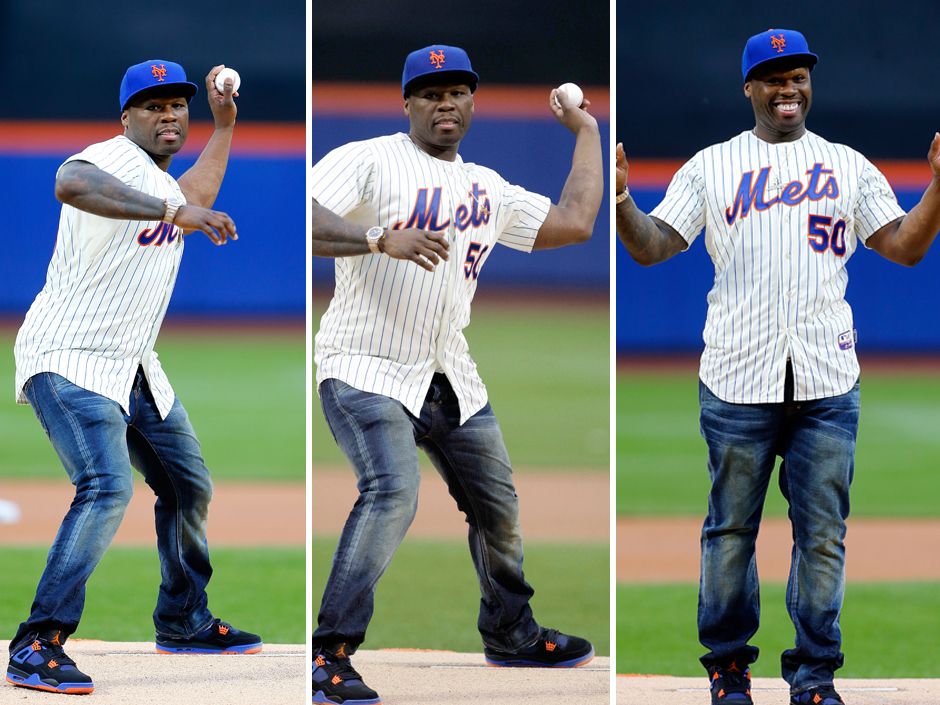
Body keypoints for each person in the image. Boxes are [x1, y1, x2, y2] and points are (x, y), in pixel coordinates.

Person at [616, 28, 940, 705]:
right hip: (737, 379)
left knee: (823, 536)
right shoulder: (711, 166)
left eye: (796, 74)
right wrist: (621, 204)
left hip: (827, 379)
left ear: (809, 83)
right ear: (748, 88)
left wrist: (938, 190)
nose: (786, 86)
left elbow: (906, 246)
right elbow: (651, 247)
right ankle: (729, 668)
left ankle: (814, 675)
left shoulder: (848, 165)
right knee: (730, 532)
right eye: (771, 76)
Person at [311, 44, 604, 705]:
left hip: (449, 373)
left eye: (459, 90)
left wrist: (587, 131)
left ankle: (511, 631)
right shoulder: (369, 159)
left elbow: (576, 221)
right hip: (364, 364)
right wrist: (376, 238)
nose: (446, 101)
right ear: (408, 102)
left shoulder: (486, 188)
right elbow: (305, 217)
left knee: (498, 508)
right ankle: (329, 656)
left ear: (473, 102)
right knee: (392, 490)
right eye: (432, 91)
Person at [7, 59, 261, 696]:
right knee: (105, 484)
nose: (169, 113)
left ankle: (182, 616)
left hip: (132, 363)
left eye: (177, 103)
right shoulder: (111, 159)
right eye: (152, 105)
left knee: (187, 484)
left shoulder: (161, 182)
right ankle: (38, 643)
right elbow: (70, 182)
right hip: (68, 355)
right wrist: (173, 211)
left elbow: (194, 199)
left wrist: (224, 126)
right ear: (127, 118)